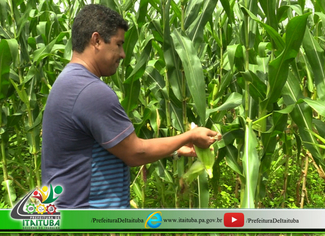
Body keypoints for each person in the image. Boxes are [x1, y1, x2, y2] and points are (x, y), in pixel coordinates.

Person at [41, 4, 220, 209]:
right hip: (89, 217)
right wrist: (189, 137)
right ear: (97, 40)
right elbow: (135, 153)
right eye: (118, 44)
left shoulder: (68, 82)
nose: (123, 54)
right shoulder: (90, 91)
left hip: (70, 213)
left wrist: (177, 148)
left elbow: (114, 147)